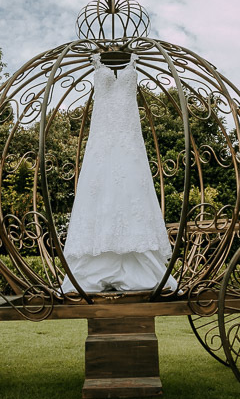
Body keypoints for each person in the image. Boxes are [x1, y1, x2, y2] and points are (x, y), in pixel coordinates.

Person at [60, 52, 176, 293]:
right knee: (102, 190)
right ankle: (98, 267)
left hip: (128, 138)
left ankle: (138, 269)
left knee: (130, 191)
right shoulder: (98, 66)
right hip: (102, 139)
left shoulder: (132, 63)